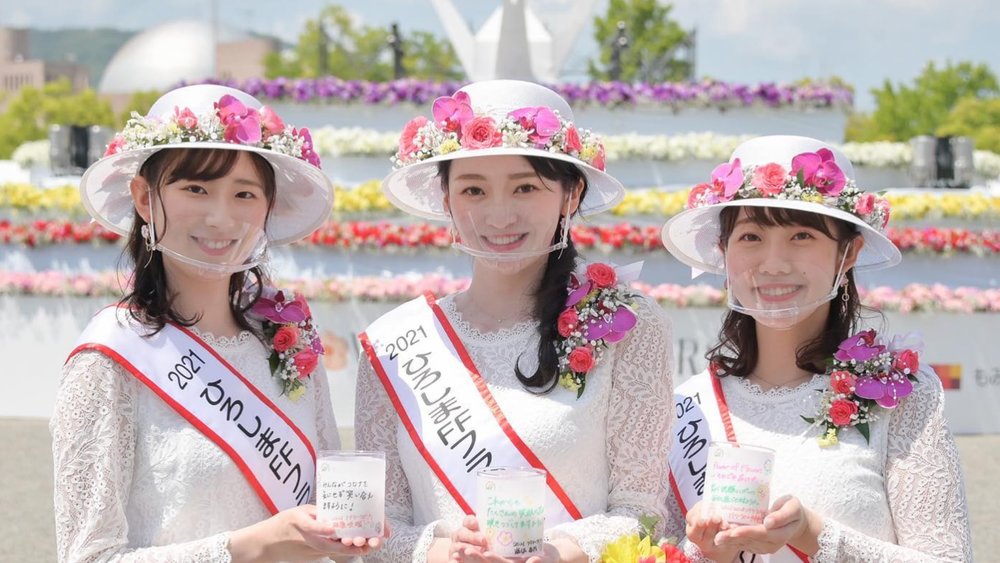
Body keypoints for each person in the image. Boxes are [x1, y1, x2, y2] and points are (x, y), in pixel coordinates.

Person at [51, 84, 381, 562]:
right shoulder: (109, 360)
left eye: (244, 193)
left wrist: (348, 536)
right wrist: (250, 546)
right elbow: (88, 556)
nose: (221, 217)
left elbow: (320, 507)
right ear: (144, 198)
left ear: (267, 207)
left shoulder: (288, 342)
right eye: (195, 188)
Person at [354, 79, 675, 563]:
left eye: (525, 187)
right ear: (447, 201)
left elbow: (644, 512)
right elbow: (376, 528)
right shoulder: (394, 343)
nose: (499, 214)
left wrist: (559, 553)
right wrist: (438, 550)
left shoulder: (628, 327)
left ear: (571, 194)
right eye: (473, 190)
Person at [660, 135, 972, 562]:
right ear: (723, 251)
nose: (774, 263)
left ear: (848, 254)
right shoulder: (685, 410)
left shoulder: (903, 398)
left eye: (802, 235)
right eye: (751, 236)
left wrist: (813, 534)